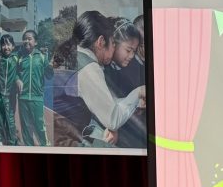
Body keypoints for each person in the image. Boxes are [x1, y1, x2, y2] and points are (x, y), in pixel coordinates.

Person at [54, 10, 145, 147]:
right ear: (101, 42)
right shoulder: (89, 68)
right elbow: (113, 120)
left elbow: (104, 104)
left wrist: (134, 102)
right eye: (113, 43)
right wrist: (138, 93)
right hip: (69, 142)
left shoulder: (75, 57)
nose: (114, 49)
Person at [103, 17, 146, 149]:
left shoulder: (137, 66)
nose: (132, 55)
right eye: (129, 50)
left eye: (134, 51)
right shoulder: (105, 69)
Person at [16, 30, 50, 146]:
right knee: (26, 128)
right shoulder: (19, 57)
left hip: (37, 97)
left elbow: (49, 75)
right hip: (23, 97)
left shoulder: (42, 57)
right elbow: (15, 72)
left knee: (40, 127)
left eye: (29, 38)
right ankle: (28, 149)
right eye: (25, 38)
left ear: (35, 42)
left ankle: (45, 148)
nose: (26, 41)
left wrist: (51, 66)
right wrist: (17, 79)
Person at [0, 34, 19, 146]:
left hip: (11, 95)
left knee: (10, 118)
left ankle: (11, 139)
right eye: (3, 44)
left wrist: (18, 79)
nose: (6, 47)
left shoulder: (16, 58)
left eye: (8, 44)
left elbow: (20, 72)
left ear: (13, 46)